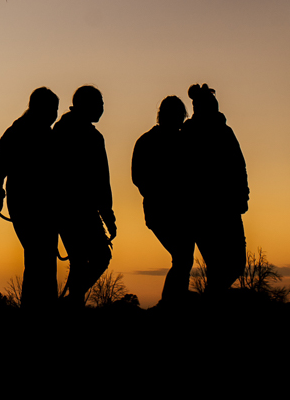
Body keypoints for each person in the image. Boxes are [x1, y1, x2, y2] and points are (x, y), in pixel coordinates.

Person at [0, 86, 60, 308]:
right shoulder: (21, 132)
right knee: (41, 259)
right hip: (29, 206)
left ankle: (39, 306)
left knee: (41, 259)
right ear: (39, 108)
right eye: (52, 109)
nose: (54, 114)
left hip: (35, 206)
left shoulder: (24, 132)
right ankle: (39, 307)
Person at [52, 85, 116, 303]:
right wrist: (108, 216)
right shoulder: (92, 137)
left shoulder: (59, 130)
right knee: (99, 258)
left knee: (81, 261)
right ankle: (72, 302)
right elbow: (100, 181)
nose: (102, 109)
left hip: (62, 210)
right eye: (99, 104)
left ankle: (72, 301)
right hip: (79, 211)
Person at [181, 83, 248, 293]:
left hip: (228, 208)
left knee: (235, 264)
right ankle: (212, 304)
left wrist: (242, 197)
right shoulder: (189, 134)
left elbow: (239, 167)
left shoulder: (225, 132)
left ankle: (212, 299)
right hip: (202, 210)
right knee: (219, 265)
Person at [131, 95, 194, 306]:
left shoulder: (179, 140)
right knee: (183, 258)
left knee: (183, 258)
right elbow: (138, 178)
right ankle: (170, 304)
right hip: (162, 211)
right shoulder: (152, 141)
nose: (179, 120)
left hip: (171, 211)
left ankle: (173, 302)